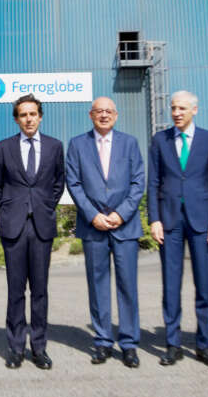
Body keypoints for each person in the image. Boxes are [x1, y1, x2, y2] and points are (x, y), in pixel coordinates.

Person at [147, 90, 208, 368]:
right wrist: (154, 219)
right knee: (171, 285)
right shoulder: (160, 140)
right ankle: (173, 343)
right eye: (173, 108)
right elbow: (153, 182)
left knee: (204, 285)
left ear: (195, 110)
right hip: (169, 223)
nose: (176, 112)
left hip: (202, 222)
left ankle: (204, 344)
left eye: (182, 108)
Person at [65, 96, 144, 368]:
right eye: (99, 111)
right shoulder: (77, 144)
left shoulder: (130, 144)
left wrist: (121, 213)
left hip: (125, 226)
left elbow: (138, 182)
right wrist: (93, 215)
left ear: (116, 115)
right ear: (90, 115)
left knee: (127, 286)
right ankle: (102, 341)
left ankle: (130, 343)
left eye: (108, 111)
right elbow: (73, 183)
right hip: (93, 226)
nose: (104, 115)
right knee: (97, 286)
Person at [0, 94, 66, 370]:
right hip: (14, 226)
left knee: (40, 291)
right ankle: (16, 348)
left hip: (41, 225)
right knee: (16, 290)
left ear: (40, 116)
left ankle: (40, 348)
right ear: (16, 119)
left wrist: (42, 205)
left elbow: (58, 183)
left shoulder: (55, 147)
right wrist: (13, 207)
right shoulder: (4, 147)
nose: (29, 119)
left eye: (33, 114)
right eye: (23, 115)